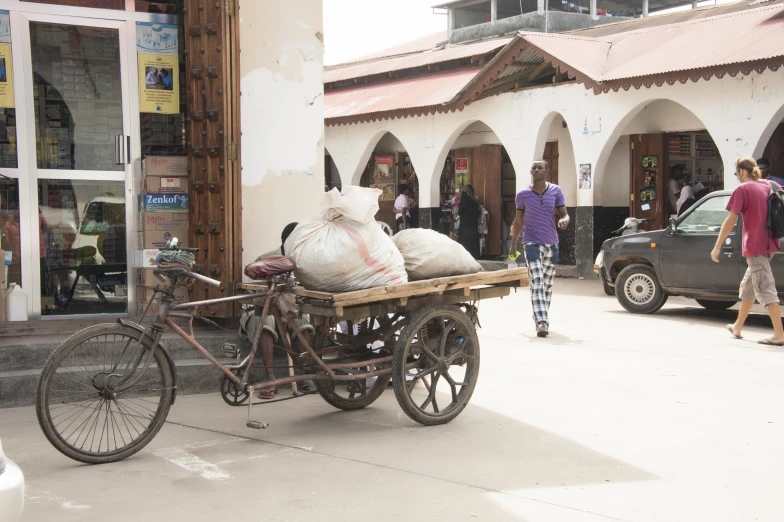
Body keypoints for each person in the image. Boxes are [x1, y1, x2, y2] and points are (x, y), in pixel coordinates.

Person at [712, 157, 784, 346]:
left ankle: (779, 334)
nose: (738, 177)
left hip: (755, 246)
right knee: (749, 286)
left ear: (742, 172)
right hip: (771, 244)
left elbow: (730, 221)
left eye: (737, 174)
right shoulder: (771, 185)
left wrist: (717, 246)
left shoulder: (743, 189)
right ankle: (738, 326)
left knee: (764, 288)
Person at [244, 222, 317, 398]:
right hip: (263, 309)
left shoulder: (304, 264)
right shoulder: (265, 260)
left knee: (303, 319)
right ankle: (271, 377)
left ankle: (304, 374)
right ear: (288, 243)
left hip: (291, 312)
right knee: (265, 319)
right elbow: (256, 298)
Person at [509, 160, 570, 338]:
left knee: (547, 285)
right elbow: (518, 221)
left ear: (546, 171)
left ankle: (539, 315)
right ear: (531, 171)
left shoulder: (556, 191)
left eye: (540, 167)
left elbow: (564, 213)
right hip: (531, 243)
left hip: (552, 243)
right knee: (536, 281)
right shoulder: (522, 195)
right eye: (533, 168)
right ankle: (542, 322)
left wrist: (564, 220)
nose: (536, 170)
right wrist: (513, 245)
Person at [458, 184, 481, 258]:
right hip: (473, 225)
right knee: (473, 243)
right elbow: (478, 212)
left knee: (464, 243)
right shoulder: (475, 201)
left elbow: (459, 212)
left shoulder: (464, 199)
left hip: (464, 226)